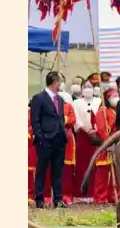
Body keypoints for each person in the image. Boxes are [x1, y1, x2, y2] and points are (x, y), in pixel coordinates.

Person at [31, 71, 70, 209]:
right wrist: (40, 136)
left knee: (58, 171)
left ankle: (58, 199)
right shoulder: (39, 98)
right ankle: (40, 199)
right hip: (45, 140)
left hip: (59, 139)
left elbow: (60, 118)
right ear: (54, 82)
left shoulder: (59, 99)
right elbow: (35, 120)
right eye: (60, 81)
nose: (61, 84)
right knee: (41, 170)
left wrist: (64, 134)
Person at [71, 82, 101, 203]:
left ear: (94, 89)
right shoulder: (76, 102)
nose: (88, 89)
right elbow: (75, 119)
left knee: (96, 164)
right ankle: (80, 194)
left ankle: (95, 193)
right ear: (82, 89)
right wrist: (85, 129)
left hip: (97, 135)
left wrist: (96, 129)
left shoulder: (99, 101)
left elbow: (102, 116)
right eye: (85, 87)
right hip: (83, 135)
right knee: (81, 164)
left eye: (90, 87)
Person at [90, 87, 120, 205]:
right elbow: (102, 129)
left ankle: (114, 197)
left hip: (117, 145)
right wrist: (108, 143)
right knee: (102, 174)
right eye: (113, 97)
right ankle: (99, 198)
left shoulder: (119, 110)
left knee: (118, 173)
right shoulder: (102, 111)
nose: (116, 99)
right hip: (106, 145)